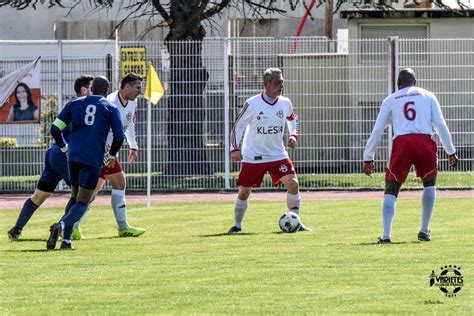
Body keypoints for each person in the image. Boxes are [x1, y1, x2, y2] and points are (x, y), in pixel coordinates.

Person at [363, 68, 458, 244]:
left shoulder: (391, 99)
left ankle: (386, 235)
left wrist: (368, 157)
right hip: (424, 141)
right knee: (429, 184)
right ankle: (424, 230)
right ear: (415, 82)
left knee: (391, 188)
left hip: (403, 143)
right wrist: (450, 151)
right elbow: (440, 124)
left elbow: (377, 130)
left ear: (398, 84)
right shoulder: (428, 96)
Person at [7, 75, 94, 240]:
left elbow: (56, 128)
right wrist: (66, 149)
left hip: (53, 154)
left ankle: (16, 229)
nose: (94, 91)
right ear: (84, 90)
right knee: (82, 195)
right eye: (92, 88)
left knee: (39, 195)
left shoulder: (72, 107)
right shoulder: (85, 108)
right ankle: (61, 228)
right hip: (65, 156)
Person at [228, 67, 311, 234]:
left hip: (277, 154)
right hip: (254, 155)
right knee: (244, 192)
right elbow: (238, 125)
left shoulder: (285, 103)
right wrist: (234, 149)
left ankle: (296, 222)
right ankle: (237, 225)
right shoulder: (252, 103)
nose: (281, 86)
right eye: (278, 82)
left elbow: (292, 118)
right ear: (267, 84)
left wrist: (293, 135)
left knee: (293, 184)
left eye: (282, 82)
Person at [46, 76, 124, 250]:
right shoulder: (110, 107)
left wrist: (64, 148)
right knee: (83, 201)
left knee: (74, 197)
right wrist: (111, 155)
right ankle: (62, 225)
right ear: (106, 90)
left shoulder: (74, 104)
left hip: (73, 157)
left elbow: (54, 129)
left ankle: (66, 242)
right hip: (92, 158)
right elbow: (119, 136)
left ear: (91, 88)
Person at [74, 72, 145, 238]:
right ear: (126, 87)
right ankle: (122, 227)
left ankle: (72, 225)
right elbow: (99, 125)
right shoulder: (110, 102)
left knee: (93, 190)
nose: (139, 91)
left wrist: (133, 145)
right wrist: (105, 147)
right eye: (137, 87)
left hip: (109, 152)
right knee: (119, 183)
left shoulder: (132, 102)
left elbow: (129, 123)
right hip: (102, 152)